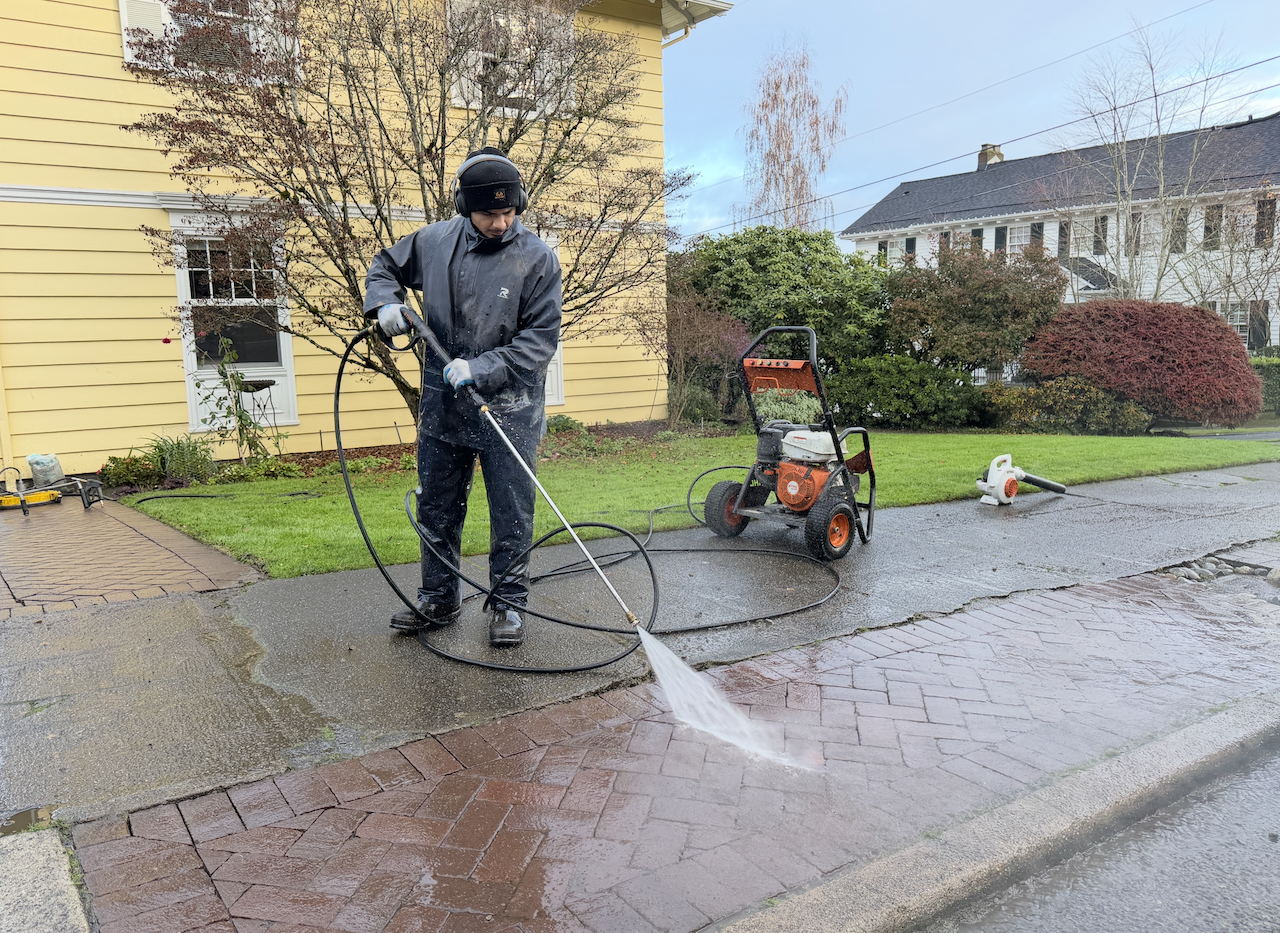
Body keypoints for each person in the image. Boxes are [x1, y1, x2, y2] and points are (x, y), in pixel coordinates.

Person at [364, 147, 562, 647]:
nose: (500, 222)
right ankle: (437, 598)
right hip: (443, 405)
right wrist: (386, 304)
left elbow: (539, 341)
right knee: (437, 506)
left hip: (509, 409)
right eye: (488, 213)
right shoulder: (432, 242)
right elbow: (385, 265)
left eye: (508, 211)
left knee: (511, 511)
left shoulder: (537, 259)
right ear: (463, 206)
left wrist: (481, 367)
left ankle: (509, 605)